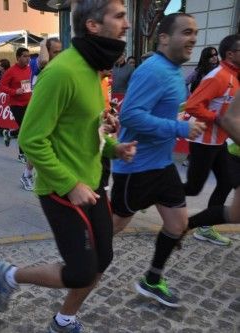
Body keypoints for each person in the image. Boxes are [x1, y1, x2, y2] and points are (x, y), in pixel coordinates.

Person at [0, 1, 136, 332]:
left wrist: (115, 148)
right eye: (119, 16)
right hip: (62, 190)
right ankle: (10, 275)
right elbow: (30, 139)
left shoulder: (95, 72)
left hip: (93, 184)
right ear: (93, 26)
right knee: (81, 271)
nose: (126, 24)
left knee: (104, 259)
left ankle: (63, 319)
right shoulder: (61, 72)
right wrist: (70, 184)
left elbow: (88, 131)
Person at [110, 13, 206, 307]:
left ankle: (151, 280)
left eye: (195, 33)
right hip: (136, 166)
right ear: (163, 38)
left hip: (162, 166)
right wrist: (179, 128)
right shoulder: (154, 70)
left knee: (178, 224)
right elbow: (130, 116)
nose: (193, 39)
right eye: (186, 32)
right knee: (113, 227)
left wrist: (178, 121)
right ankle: (79, 254)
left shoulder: (174, 71)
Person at [183, 34, 239, 246]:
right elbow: (192, 106)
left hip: (220, 143)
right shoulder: (218, 76)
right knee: (193, 188)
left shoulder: (235, 77)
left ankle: (205, 228)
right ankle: (149, 194)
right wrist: (218, 118)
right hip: (203, 142)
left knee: (226, 183)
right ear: (231, 54)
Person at [0, 47, 34, 190]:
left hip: (29, 102)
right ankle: (21, 154)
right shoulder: (10, 71)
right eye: (25, 56)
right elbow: (1, 86)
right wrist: (14, 91)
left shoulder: (30, 69)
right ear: (18, 57)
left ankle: (9, 133)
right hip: (16, 104)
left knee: (24, 128)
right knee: (25, 129)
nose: (27, 59)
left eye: (28, 56)